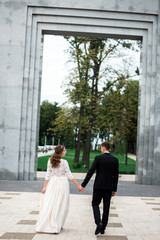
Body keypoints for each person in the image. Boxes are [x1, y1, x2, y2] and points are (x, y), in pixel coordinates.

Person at [36, 145, 82, 234]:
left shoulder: (50, 161)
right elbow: (69, 175)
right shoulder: (64, 162)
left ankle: (54, 223)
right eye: (64, 150)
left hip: (52, 183)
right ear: (60, 152)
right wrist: (78, 186)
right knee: (61, 204)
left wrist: (44, 187)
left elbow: (48, 175)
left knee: (52, 203)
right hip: (62, 184)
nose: (65, 152)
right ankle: (56, 224)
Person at [80, 142, 119, 235]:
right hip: (109, 187)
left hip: (98, 186)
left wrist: (83, 185)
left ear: (104, 148)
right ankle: (103, 228)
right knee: (106, 207)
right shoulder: (115, 160)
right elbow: (116, 176)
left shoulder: (98, 158)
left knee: (95, 204)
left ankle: (99, 222)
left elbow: (91, 172)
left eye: (101, 148)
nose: (101, 149)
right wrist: (114, 189)